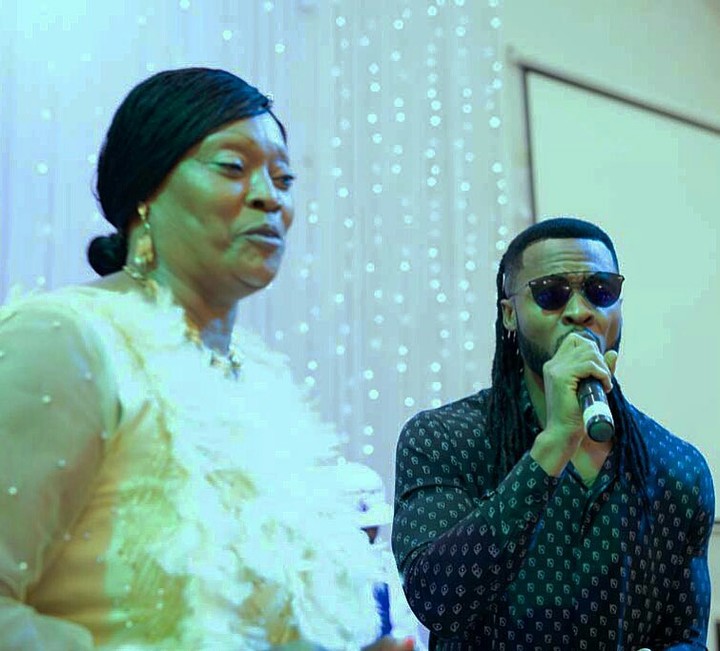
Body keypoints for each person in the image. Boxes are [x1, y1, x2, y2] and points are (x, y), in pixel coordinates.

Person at [0, 67, 414, 651]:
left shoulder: (262, 380)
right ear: (145, 189)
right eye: (233, 167)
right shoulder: (67, 339)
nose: (270, 195)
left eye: (284, 177)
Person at [392, 217, 715, 650]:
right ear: (510, 314)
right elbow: (437, 600)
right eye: (551, 293)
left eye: (600, 290)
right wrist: (554, 444)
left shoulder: (678, 468)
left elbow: (686, 636)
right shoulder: (444, 439)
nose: (580, 310)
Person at [334, 463, 428, 650]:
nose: (370, 533)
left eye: (374, 527)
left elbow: (406, 633)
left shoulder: (388, 569)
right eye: (362, 528)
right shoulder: (313, 579)